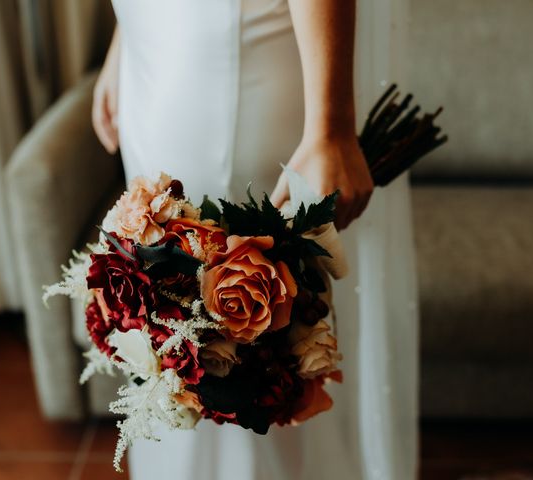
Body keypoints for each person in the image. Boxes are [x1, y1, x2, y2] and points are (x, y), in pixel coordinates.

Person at [93, 0, 418, 478]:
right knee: (165, 337)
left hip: (231, 68)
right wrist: (126, 37)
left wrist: (331, 126)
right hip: (155, 55)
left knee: (244, 350)